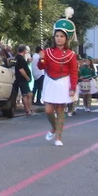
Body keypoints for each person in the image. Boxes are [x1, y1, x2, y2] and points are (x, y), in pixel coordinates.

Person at [38, 12, 80, 145]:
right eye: (57, 36)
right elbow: (41, 67)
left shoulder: (71, 54)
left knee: (60, 110)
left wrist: (72, 88)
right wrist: (41, 58)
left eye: (62, 36)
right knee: (48, 110)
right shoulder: (48, 52)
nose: (59, 39)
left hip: (63, 82)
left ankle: (59, 138)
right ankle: (54, 128)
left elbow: (74, 72)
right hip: (50, 81)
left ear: (66, 38)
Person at [13, 45, 34, 116]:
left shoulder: (18, 58)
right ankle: (28, 110)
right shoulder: (20, 59)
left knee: (28, 94)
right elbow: (21, 70)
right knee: (26, 94)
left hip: (21, 79)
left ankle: (29, 109)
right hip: (22, 79)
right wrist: (27, 77)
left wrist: (27, 62)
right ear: (24, 50)